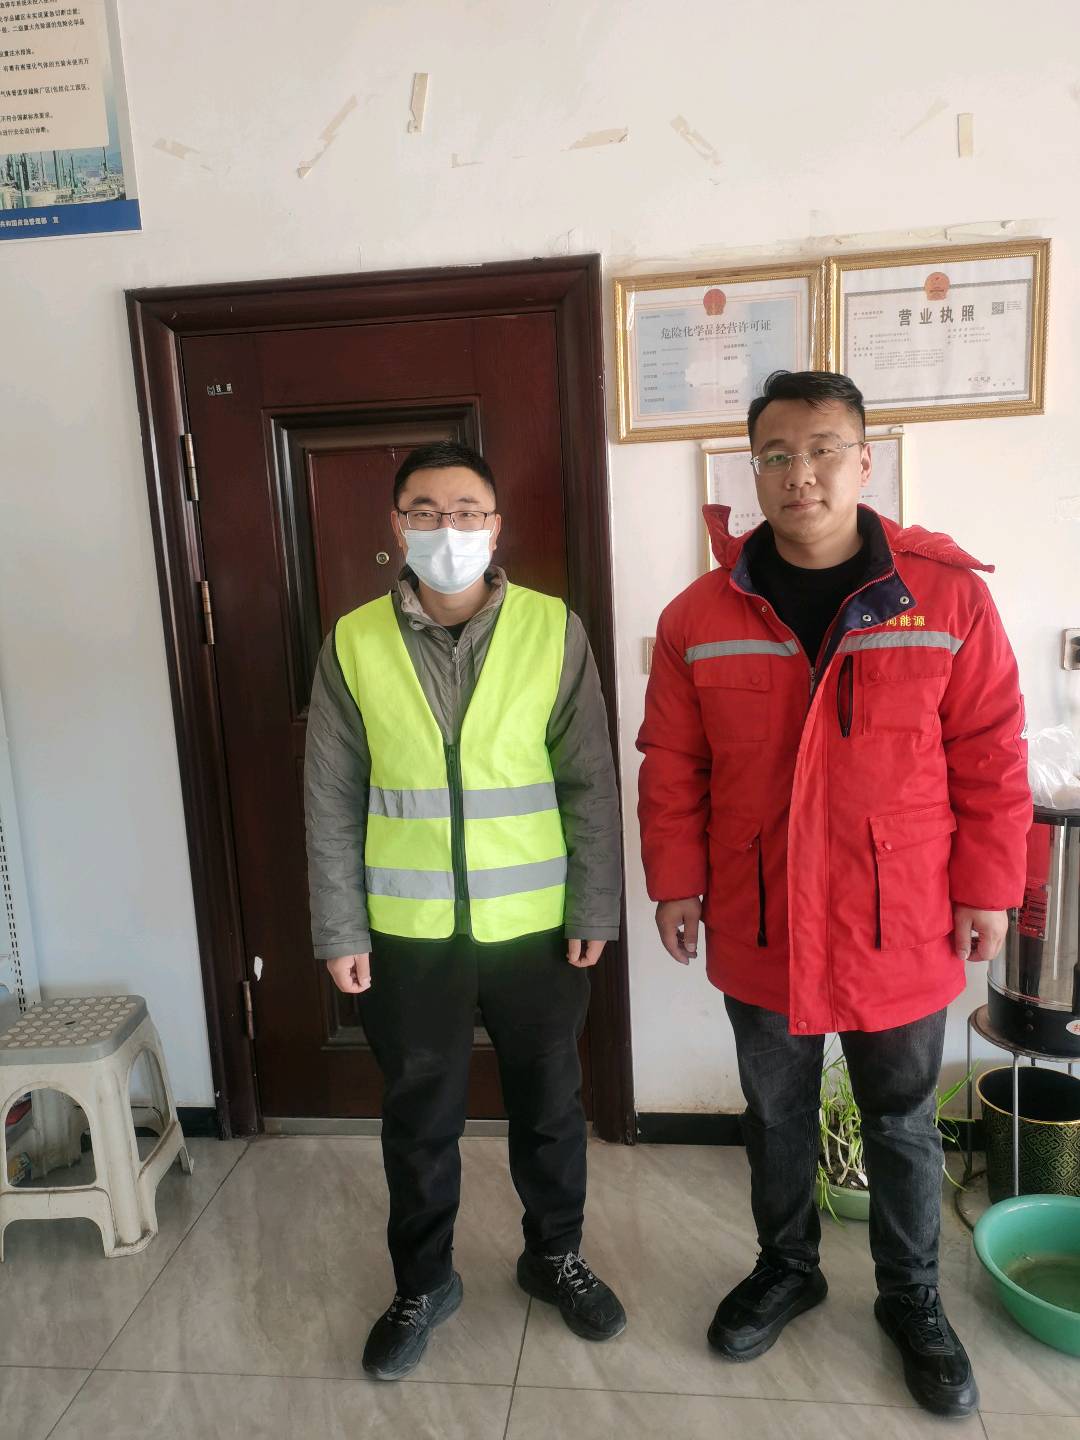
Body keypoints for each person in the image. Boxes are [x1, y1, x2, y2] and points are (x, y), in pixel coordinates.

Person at [637, 370, 1030, 1419]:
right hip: (760, 913)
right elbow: (671, 764)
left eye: (821, 450)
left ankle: (911, 1297)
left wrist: (989, 889)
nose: (799, 473)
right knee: (775, 1113)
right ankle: (787, 1267)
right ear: (752, 470)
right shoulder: (698, 615)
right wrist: (674, 881)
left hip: (900, 919)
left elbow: (991, 755)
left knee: (902, 1120)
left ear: (864, 462)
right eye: (776, 454)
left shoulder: (946, 598)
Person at [304, 440, 625, 1380]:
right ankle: (423, 1282)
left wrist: (593, 905)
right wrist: (340, 926)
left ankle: (553, 1256)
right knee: (420, 1117)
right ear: (395, 524)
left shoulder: (552, 629)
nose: (448, 529)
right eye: (426, 511)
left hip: (537, 927)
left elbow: (590, 781)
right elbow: (330, 796)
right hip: (408, 934)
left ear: (497, 525)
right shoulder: (353, 642)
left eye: (467, 511)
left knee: (551, 1107)